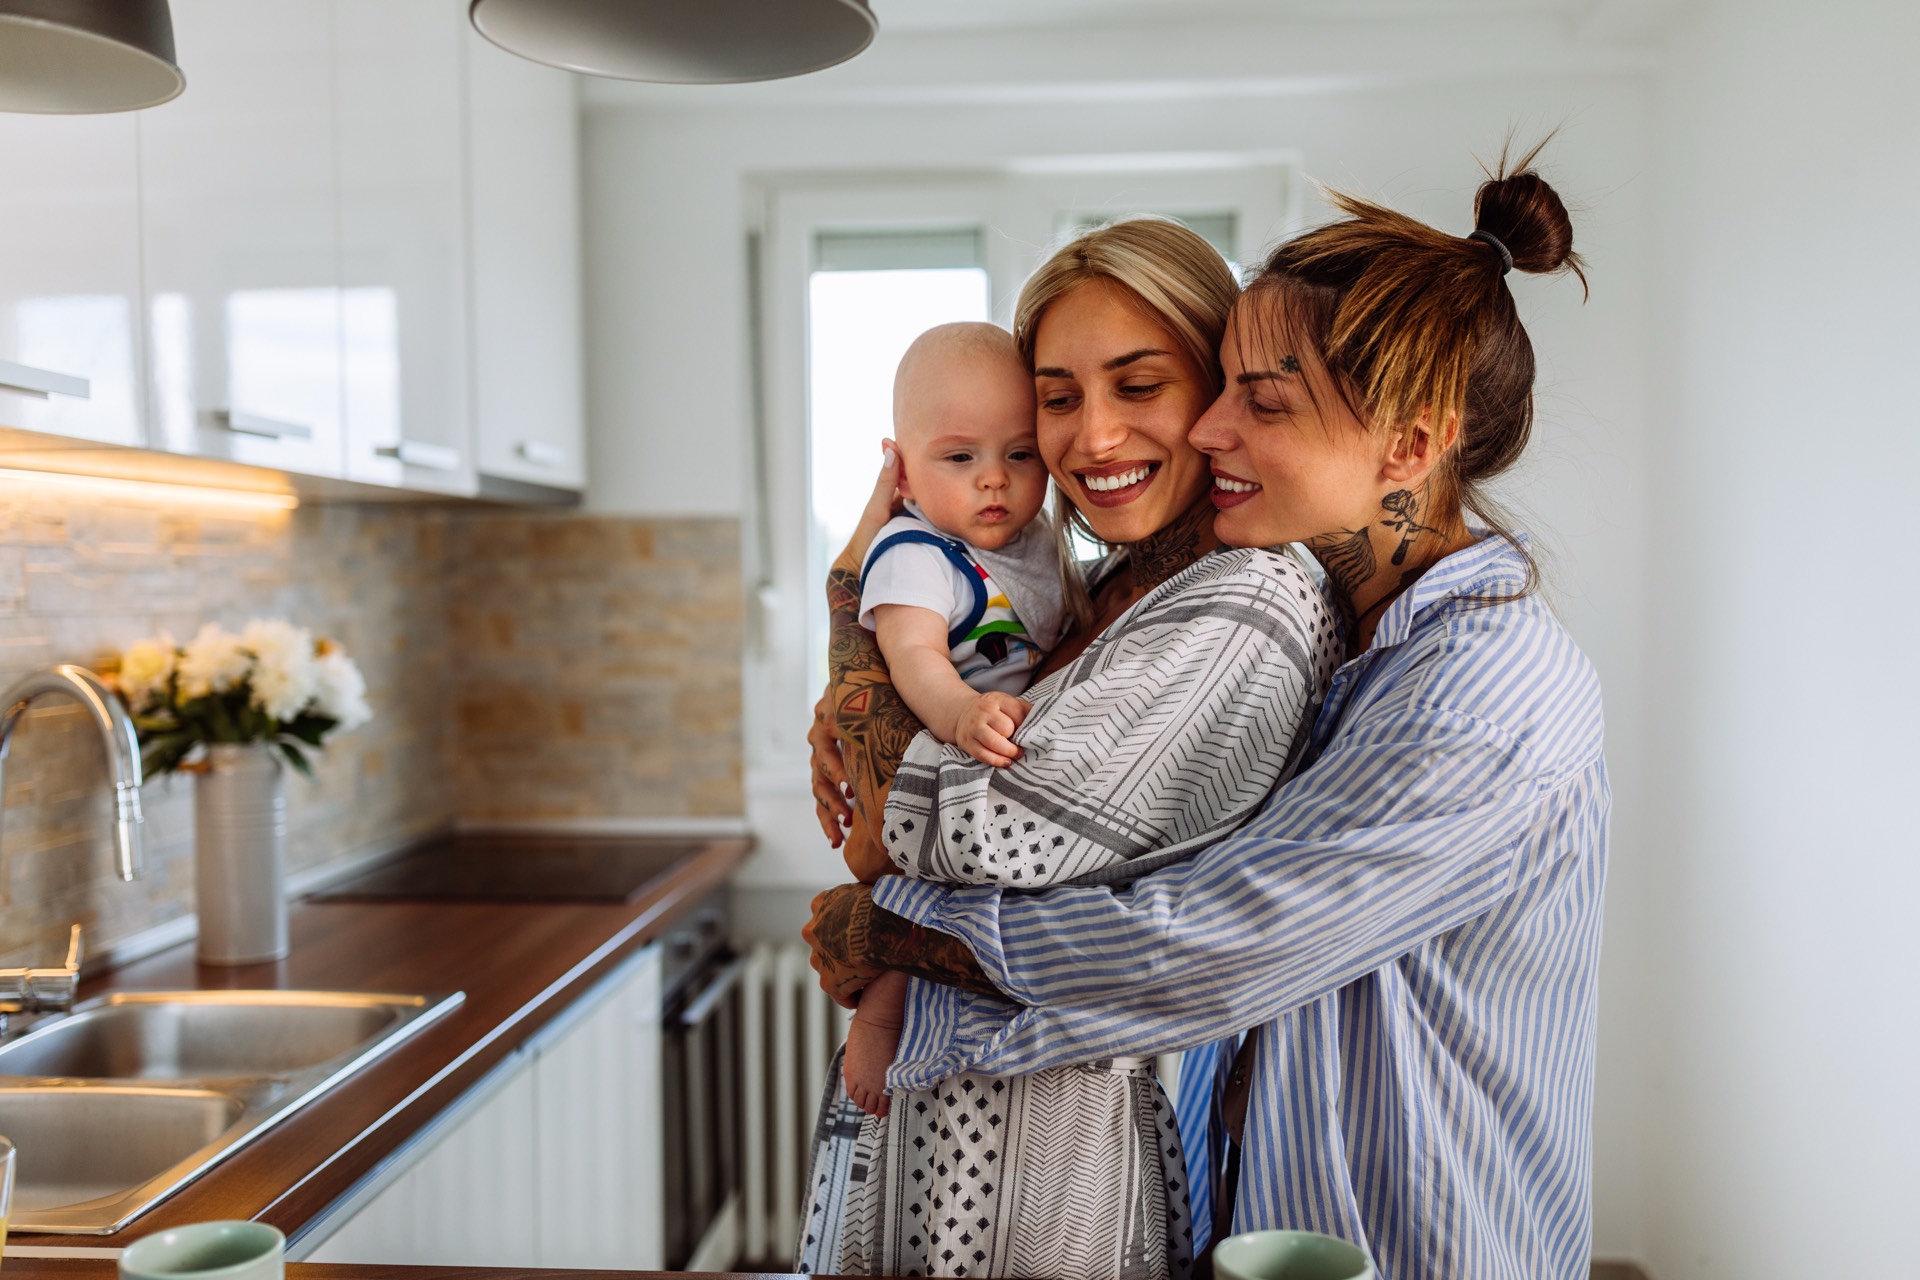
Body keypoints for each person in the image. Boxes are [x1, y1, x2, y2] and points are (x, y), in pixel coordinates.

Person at [805, 144, 1608, 1280]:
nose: (1213, 429)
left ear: (1412, 446)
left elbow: (1206, 943)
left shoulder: (1481, 690)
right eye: (1222, 387)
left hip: (1424, 1241)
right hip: (1273, 1228)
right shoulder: (1351, 632)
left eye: (1255, 401)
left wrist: (900, 930)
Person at [798, 217, 1340, 1280]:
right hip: (946, 1122)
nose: (1092, 438)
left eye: (1140, 386)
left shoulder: (1243, 600)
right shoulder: (1089, 587)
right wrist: (867, 690)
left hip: (1040, 1167)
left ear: (1218, 397)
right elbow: (898, 809)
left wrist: (848, 621)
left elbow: (957, 830)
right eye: (1058, 397)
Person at [842, 321, 1069, 1117]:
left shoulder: (1035, 540)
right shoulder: (916, 553)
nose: (995, 482)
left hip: (994, 762)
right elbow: (915, 659)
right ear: (900, 471)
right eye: (960, 457)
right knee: (915, 896)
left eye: (1020, 454)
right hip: (931, 762)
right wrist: (960, 711)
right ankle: (876, 1017)